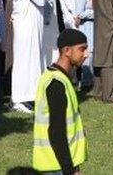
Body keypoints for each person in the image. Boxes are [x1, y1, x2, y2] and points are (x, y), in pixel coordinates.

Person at [32, 29, 89, 175]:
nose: (86, 54)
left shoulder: (56, 77)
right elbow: (56, 131)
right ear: (67, 51)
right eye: (82, 49)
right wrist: (70, 171)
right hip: (56, 166)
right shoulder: (56, 84)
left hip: (57, 163)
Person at [11, 0, 52, 113]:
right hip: (25, 22)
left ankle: (32, 95)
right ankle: (18, 99)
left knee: (35, 57)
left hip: (34, 20)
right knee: (24, 59)